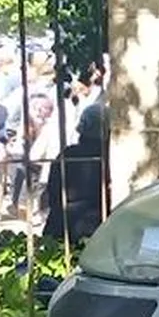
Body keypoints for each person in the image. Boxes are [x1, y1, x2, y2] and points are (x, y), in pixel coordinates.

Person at [40, 92, 109, 246]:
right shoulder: (111, 157)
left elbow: (53, 191)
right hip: (99, 224)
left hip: (61, 223)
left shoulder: (69, 154)